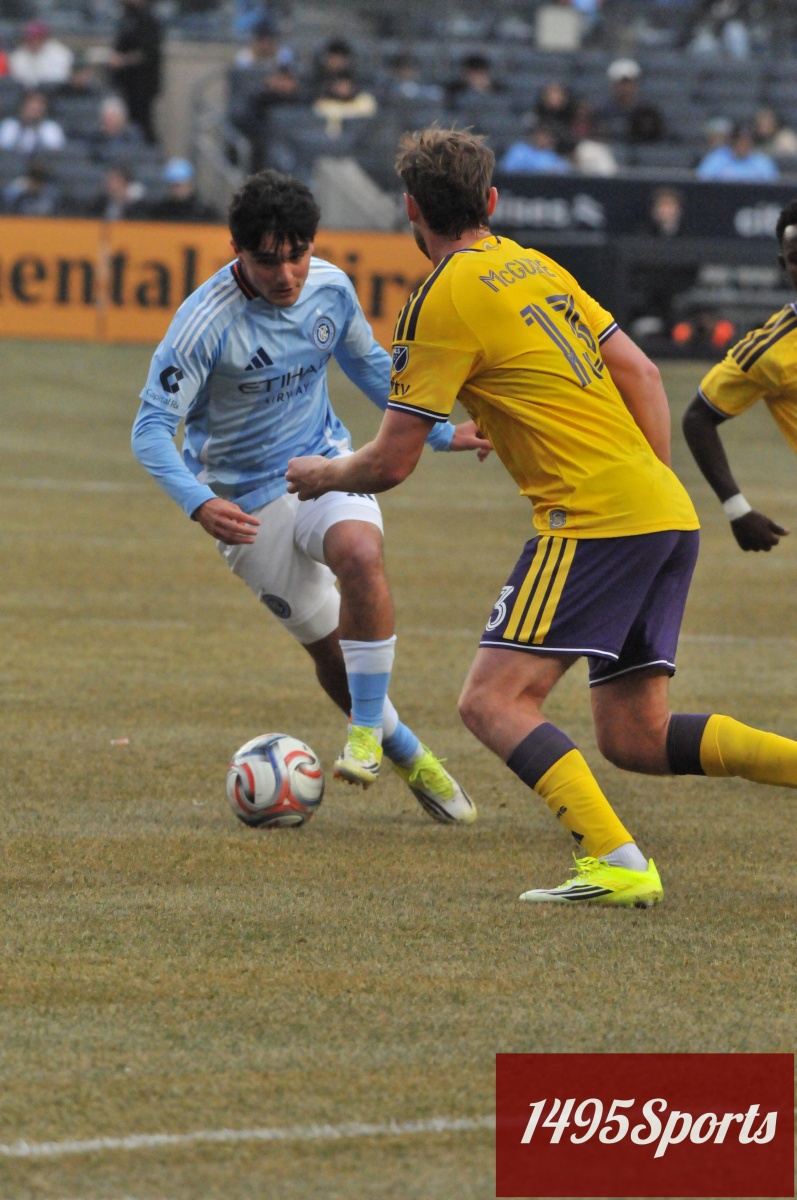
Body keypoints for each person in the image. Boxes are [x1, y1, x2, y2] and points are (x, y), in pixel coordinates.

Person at [286, 127, 797, 906]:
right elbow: (641, 373)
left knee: (490, 701)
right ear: (491, 200)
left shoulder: (438, 299)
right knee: (634, 736)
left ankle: (615, 860)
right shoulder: (535, 265)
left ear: (411, 209)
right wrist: (647, 488)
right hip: (662, 508)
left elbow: (389, 463)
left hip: (595, 519)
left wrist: (324, 474)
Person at [131, 169, 490, 824]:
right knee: (328, 649)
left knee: (360, 553)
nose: (287, 274)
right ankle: (408, 753)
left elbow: (370, 367)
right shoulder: (203, 323)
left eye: (297, 254)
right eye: (268, 260)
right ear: (237, 251)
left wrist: (440, 433)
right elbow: (151, 428)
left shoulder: (330, 288)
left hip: (321, 463)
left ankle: (363, 735)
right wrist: (198, 502)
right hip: (244, 505)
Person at [682, 199, 797, 553]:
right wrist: (737, 509)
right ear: (784, 266)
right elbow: (698, 417)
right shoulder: (768, 353)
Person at [110, 0, 163, 144]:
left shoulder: (149, 19)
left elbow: (148, 53)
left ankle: (148, 152)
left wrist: (123, 60)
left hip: (142, 84)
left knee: (142, 123)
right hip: (125, 82)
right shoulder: (126, 16)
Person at [594, 58, 665, 146]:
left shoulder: (648, 113)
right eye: (620, 84)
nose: (625, 88)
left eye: (628, 83)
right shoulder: (603, 113)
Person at [136, 157, 221, 222]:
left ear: (190, 184)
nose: (178, 190)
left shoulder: (204, 211)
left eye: (181, 185)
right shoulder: (161, 210)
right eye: (174, 186)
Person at [696, 122, 779, 182]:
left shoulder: (762, 162)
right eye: (740, 141)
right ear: (732, 141)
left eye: (747, 141)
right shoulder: (716, 158)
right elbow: (702, 181)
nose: (743, 145)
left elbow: (772, 185)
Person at [9, 21, 73, 89]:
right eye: (31, 38)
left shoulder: (60, 53)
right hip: (25, 92)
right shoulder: (17, 56)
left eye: (39, 37)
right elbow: (17, 78)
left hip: (55, 90)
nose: (35, 41)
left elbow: (61, 77)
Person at [0, 90, 66, 155]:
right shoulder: (9, 126)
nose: (33, 112)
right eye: (31, 108)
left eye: (37, 109)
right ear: (22, 107)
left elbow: (57, 154)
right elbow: (3, 151)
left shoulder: (51, 128)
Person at [498, 118, 572, 175]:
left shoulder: (552, 155)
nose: (544, 139)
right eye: (541, 135)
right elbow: (507, 168)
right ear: (535, 135)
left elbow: (564, 169)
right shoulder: (519, 150)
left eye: (547, 136)